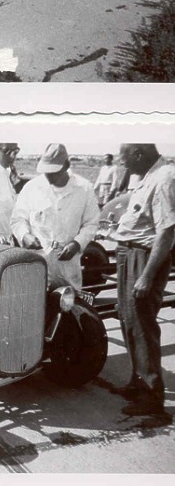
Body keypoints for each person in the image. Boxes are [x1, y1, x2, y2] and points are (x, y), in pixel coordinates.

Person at [110, 144, 175, 418]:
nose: (124, 167)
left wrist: (147, 275)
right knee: (128, 320)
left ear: (139, 154)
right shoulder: (149, 176)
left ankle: (152, 398)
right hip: (130, 254)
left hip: (144, 258)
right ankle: (139, 382)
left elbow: (167, 232)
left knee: (142, 326)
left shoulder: (164, 178)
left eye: (125, 161)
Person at [10, 143, 100, 292]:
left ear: (66, 165)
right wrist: (25, 235)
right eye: (46, 171)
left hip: (68, 265)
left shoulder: (84, 189)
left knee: (69, 307)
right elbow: (18, 219)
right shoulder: (32, 188)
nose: (48, 176)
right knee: (35, 307)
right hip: (37, 262)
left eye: (53, 172)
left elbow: (91, 224)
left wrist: (77, 244)